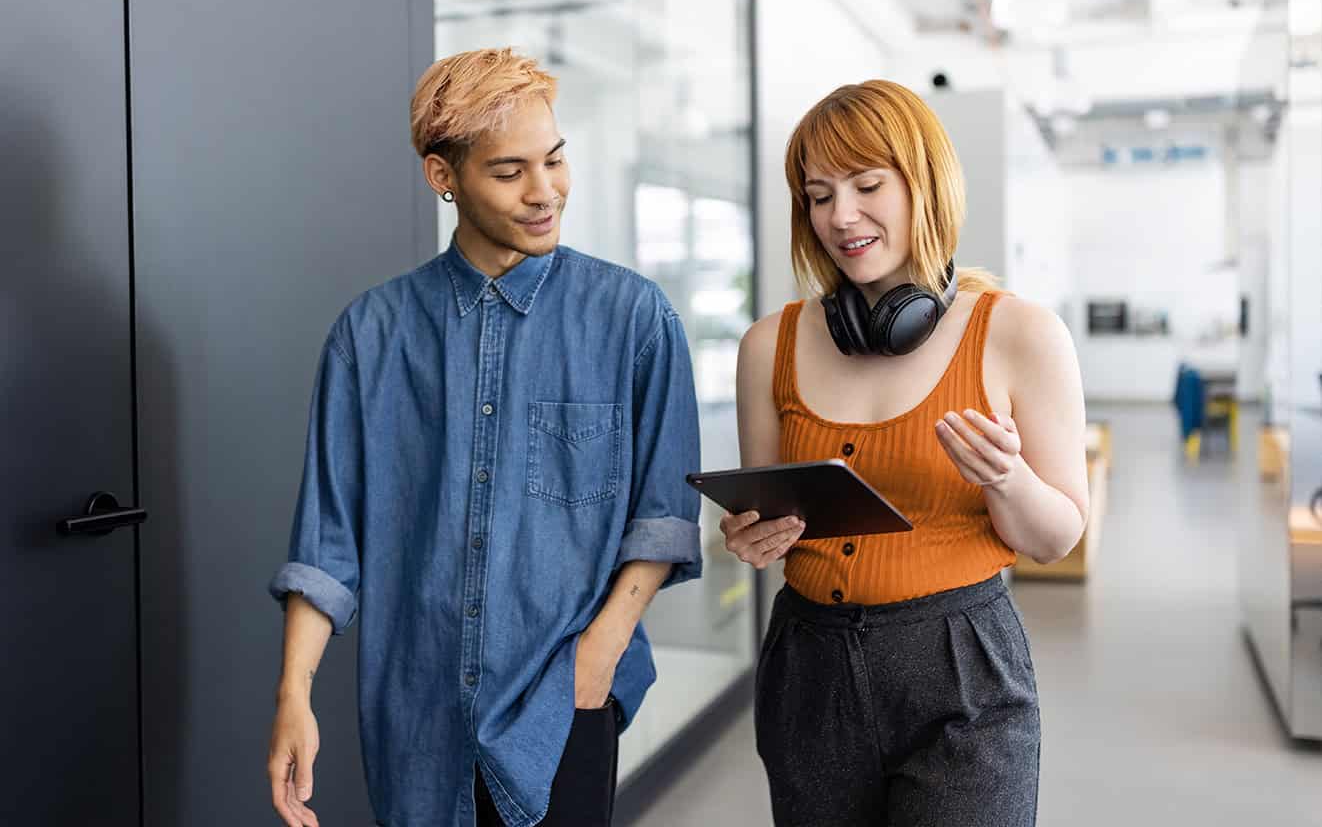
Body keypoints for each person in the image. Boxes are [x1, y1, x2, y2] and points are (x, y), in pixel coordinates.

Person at [265, 47, 703, 827]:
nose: (545, 193)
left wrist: (598, 652)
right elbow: (328, 542)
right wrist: (294, 695)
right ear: (444, 176)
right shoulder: (369, 335)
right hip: (413, 708)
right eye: (509, 172)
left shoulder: (634, 319)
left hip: (562, 696)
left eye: (556, 161)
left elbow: (662, 517)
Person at [723, 80, 1088, 826]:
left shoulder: (1020, 335)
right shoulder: (770, 345)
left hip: (960, 663)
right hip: (808, 662)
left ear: (924, 185)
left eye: (866, 185)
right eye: (819, 195)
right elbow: (765, 511)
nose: (841, 216)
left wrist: (1006, 478)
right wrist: (751, 535)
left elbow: (1057, 538)